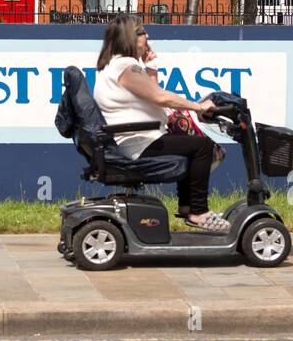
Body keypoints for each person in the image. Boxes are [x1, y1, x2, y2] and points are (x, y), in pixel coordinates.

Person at [92, 14, 230, 231]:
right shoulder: (126, 66)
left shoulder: (116, 65)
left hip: (136, 139)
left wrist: (150, 65)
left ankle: (188, 207)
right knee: (203, 147)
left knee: (190, 144)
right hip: (140, 142)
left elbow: (152, 93)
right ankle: (198, 212)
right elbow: (161, 97)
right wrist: (198, 106)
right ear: (130, 37)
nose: (147, 36)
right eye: (142, 32)